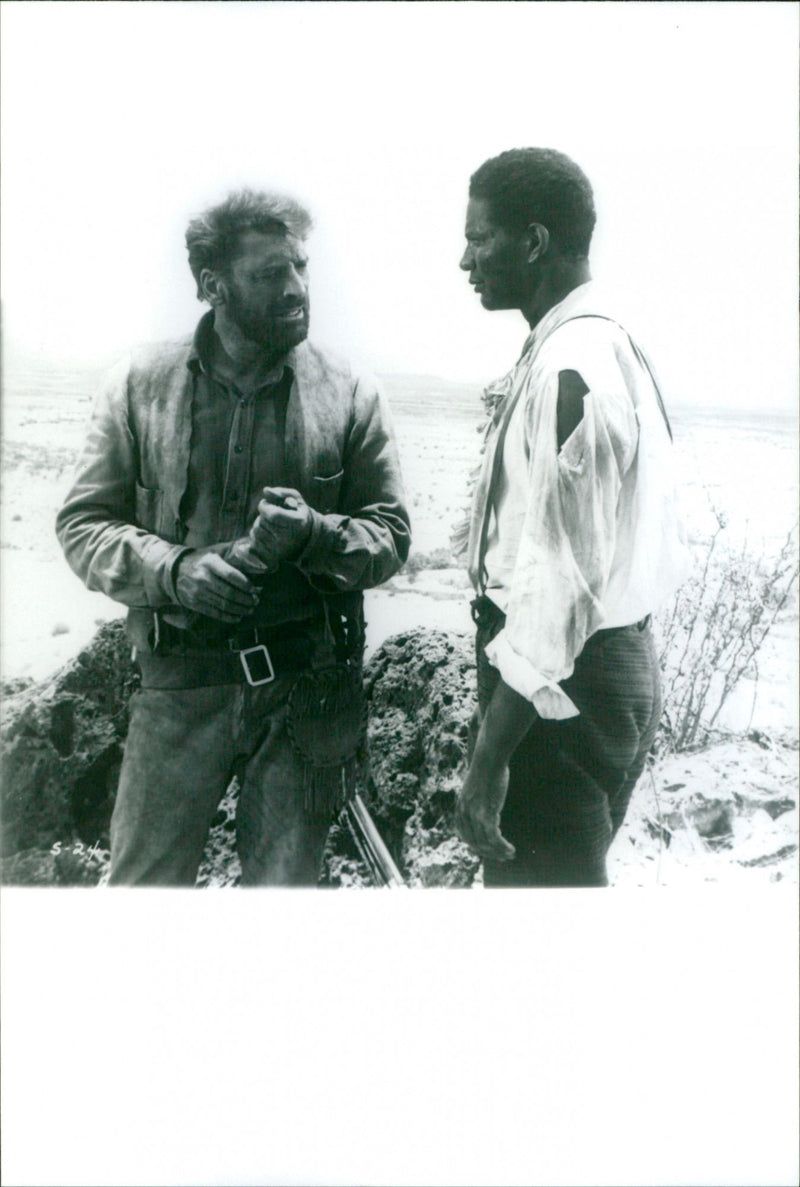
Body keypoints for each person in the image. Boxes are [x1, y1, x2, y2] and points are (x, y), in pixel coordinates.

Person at [56, 188, 410, 887]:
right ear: (211, 286)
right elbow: (83, 524)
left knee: (282, 899)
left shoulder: (351, 391)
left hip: (304, 694)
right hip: (177, 687)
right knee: (143, 890)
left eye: (301, 268)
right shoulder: (138, 385)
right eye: (269, 274)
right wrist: (175, 571)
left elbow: (391, 534)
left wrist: (314, 534)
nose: (296, 290)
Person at [454, 148, 688, 887]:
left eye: (479, 237)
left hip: (564, 691)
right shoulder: (601, 342)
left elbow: (559, 582)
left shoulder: (573, 362)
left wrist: (490, 758)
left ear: (534, 241)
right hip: (601, 673)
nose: (465, 260)